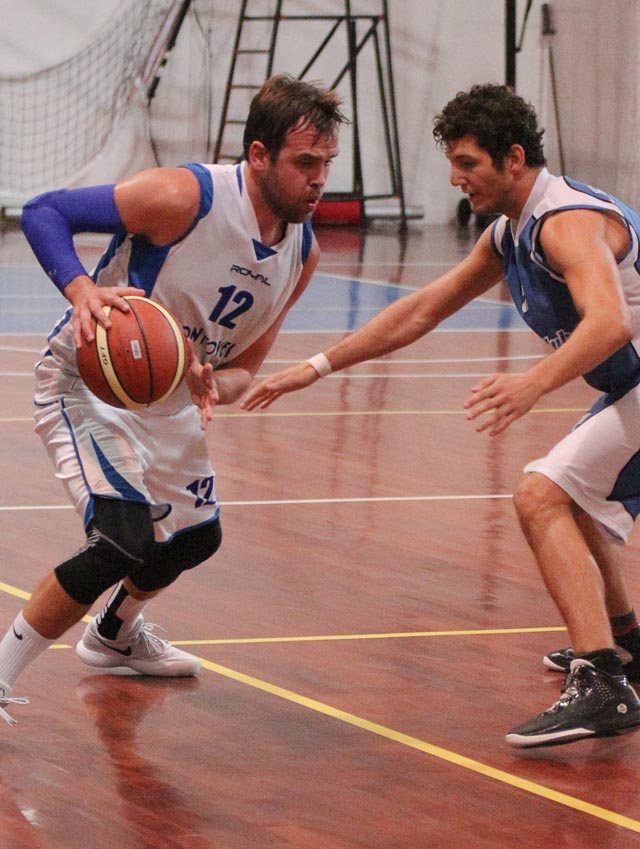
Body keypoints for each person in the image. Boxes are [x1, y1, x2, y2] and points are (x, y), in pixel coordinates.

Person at [242, 82, 640, 749]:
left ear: (515, 158)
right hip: (631, 387)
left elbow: (609, 323)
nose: (456, 178)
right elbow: (424, 308)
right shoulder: (511, 233)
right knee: (572, 498)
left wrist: (532, 384)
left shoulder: (563, 222)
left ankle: (602, 681)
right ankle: (624, 645)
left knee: (540, 494)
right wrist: (317, 366)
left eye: (467, 163)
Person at [0, 73, 346, 724]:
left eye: (326, 163)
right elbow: (45, 211)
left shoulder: (303, 254)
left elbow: (244, 370)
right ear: (260, 155)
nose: (319, 179)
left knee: (194, 538)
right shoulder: (186, 196)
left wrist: (214, 382)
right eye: (305, 163)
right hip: (88, 382)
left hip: (165, 402)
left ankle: (113, 635)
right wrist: (81, 290)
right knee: (121, 539)